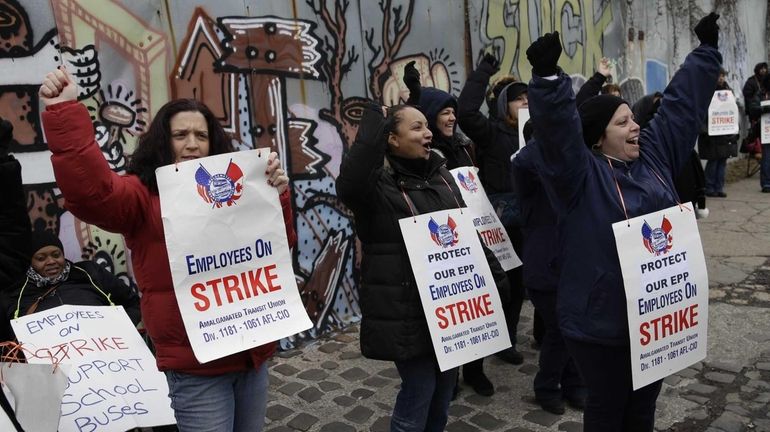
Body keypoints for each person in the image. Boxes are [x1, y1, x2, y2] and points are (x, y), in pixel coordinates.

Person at [39, 66, 296, 432]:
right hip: (196, 370)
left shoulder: (235, 190)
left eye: (200, 135)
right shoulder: (143, 197)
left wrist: (277, 195)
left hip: (251, 359)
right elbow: (91, 193)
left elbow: (278, 246)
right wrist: (64, 111)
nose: (192, 143)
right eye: (180, 135)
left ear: (213, 144)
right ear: (163, 141)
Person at [524, 12, 721, 431]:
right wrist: (546, 80)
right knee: (608, 409)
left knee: (643, 409)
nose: (636, 126)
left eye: (634, 118)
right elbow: (558, 134)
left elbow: (681, 108)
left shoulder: (653, 155)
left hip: (656, 319)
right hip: (601, 325)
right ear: (598, 137)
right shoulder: (577, 177)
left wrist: (706, 52)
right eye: (623, 122)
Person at [336, 103, 508, 432]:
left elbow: (464, 234)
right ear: (391, 139)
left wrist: (495, 279)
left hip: (449, 314)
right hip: (407, 313)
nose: (428, 132)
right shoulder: (377, 189)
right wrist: (376, 117)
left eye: (427, 125)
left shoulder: (442, 175)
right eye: (416, 128)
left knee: (443, 392)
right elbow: (351, 183)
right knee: (419, 391)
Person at [403, 62, 498, 397]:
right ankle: (452, 375)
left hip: (473, 232)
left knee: (477, 303)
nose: (450, 118)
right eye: (443, 112)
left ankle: (475, 369)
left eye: (452, 112)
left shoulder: (462, 145)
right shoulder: (425, 154)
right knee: (451, 310)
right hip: (442, 241)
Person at [457, 53, 527, 365]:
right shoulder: (492, 132)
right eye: (518, 99)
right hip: (499, 223)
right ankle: (486, 343)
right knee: (501, 284)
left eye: (529, 98)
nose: (526, 103)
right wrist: (484, 71)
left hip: (529, 219)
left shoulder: (535, 133)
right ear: (504, 105)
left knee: (520, 283)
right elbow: (467, 112)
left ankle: (507, 340)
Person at [512, 126, 585, 415]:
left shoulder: (568, 172)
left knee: (574, 328)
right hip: (544, 265)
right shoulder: (526, 169)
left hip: (573, 262)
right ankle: (547, 386)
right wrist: (548, 128)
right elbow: (524, 160)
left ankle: (574, 383)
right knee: (559, 330)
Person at [4, 230, 141, 323]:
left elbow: (133, 303)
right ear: (30, 262)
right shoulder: (17, 293)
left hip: (105, 354)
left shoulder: (89, 273)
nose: (51, 261)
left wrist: (120, 328)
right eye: (41, 258)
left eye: (56, 255)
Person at [698, 69, 739, 197]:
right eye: (719, 76)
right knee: (713, 161)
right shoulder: (707, 91)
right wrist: (705, 130)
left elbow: (733, 111)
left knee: (722, 161)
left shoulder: (728, 92)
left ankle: (719, 187)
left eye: (723, 76)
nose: (721, 78)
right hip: (712, 133)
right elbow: (701, 112)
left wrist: (735, 129)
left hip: (725, 133)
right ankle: (709, 187)